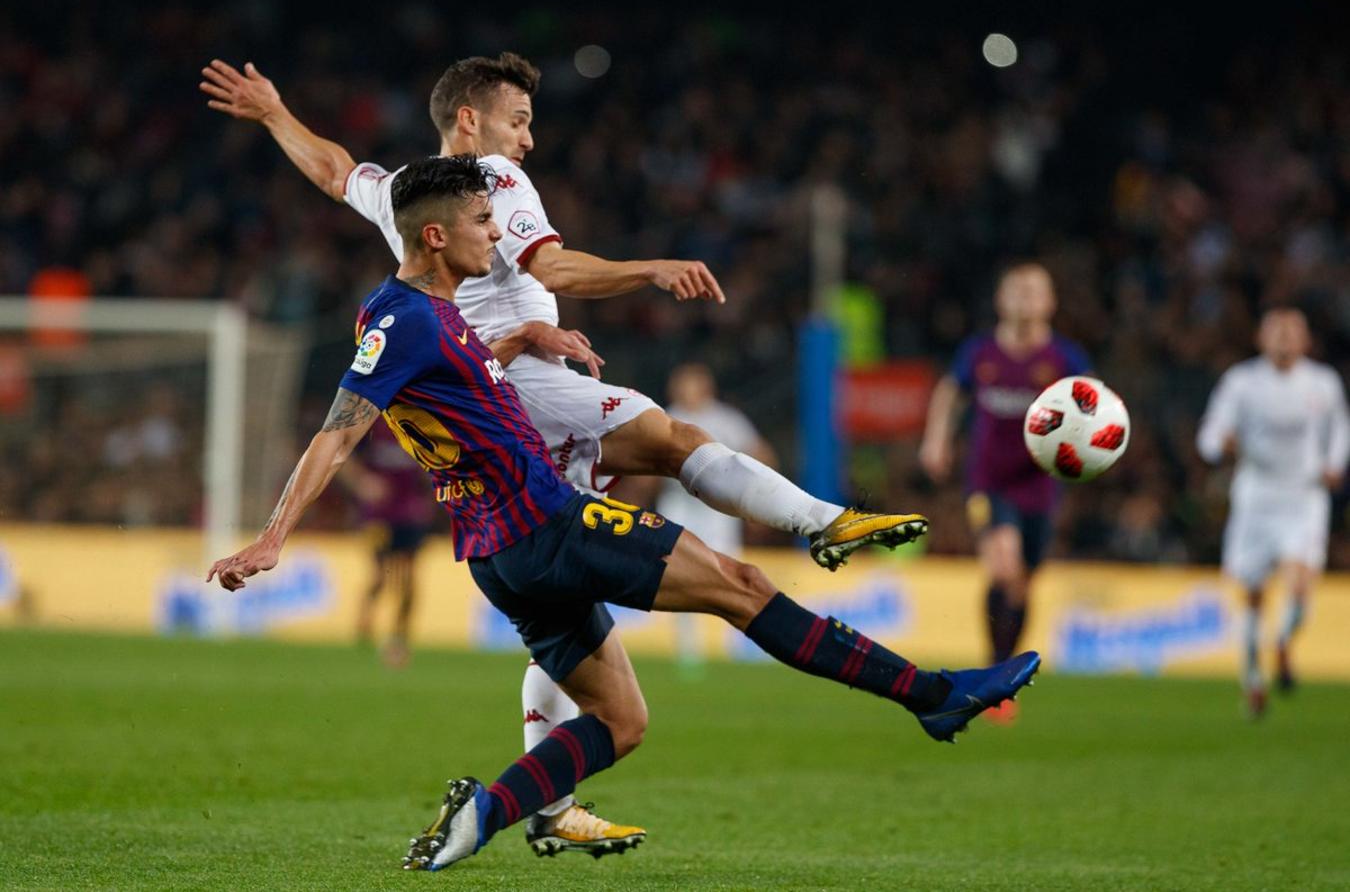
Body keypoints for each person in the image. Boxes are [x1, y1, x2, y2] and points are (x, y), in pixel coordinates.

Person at [206, 157, 1041, 872]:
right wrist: (274, 535)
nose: (494, 237)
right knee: (742, 585)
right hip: (548, 525)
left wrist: (523, 343)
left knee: (622, 721)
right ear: (435, 235)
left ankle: (483, 816)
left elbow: (449, 390)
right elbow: (338, 431)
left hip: (501, 556)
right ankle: (932, 694)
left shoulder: (434, 318)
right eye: (482, 223)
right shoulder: (406, 318)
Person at [920, 263, 1089, 722]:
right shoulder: (981, 353)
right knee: (1003, 567)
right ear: (1001, 300)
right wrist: (936, 438)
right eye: (1016, 290)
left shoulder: (1064, 358)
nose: (1024, 298)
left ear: (1050, 302)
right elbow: (950, 392)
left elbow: (1094, 409)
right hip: (989, 482)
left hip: (1039, 484)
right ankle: (996, 677)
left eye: (1034, 291)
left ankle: (1006, 675)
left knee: (1022, 582)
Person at [1196, 308, 1349, 719]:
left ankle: (1282, 640)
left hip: (1304, 496)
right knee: (1253, 595)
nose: (1283, 339)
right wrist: (1221, 446)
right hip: (1256, 499)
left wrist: (1336, 463)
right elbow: (1209, 435)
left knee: (1300, 585)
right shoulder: (1242, 383)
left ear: (1305, 340)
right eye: (1276, 331)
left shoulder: (1323, 382)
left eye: (1291, 332)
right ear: (1261, 339)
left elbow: (1340, 429)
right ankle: (1252, 680)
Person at [655, 363, 774, 669]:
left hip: (717, 510)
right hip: (678, 505)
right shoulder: (665, 415)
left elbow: (761, 453)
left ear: (706, 386)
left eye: (692, 383)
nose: (686, 389)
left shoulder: (725, 419)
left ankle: (739, 645)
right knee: (677, 575)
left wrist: (757, 498)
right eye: (682, 383)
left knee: (729, 572)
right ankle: (688, 651)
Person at [342, 419, 437, 668]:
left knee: (407, 578)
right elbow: (343, 452)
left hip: (410, 512)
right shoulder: (372, 422)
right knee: (380, 575)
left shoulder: (419, 420)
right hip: (378, 514)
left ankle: (399, 636)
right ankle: (364, 627)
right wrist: (362, 481)